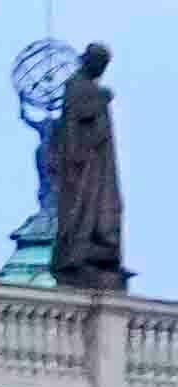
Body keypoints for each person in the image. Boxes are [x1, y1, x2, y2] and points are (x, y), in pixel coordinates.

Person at [51, 46, 128, 292]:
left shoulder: (88, 88)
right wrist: (100, 99)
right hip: (84, 164)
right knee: (84, 210)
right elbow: (75, 119)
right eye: (99, 64)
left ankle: (102, 249)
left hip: (99, 163)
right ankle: (80, 252)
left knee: (109, 206)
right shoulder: (77, 86)